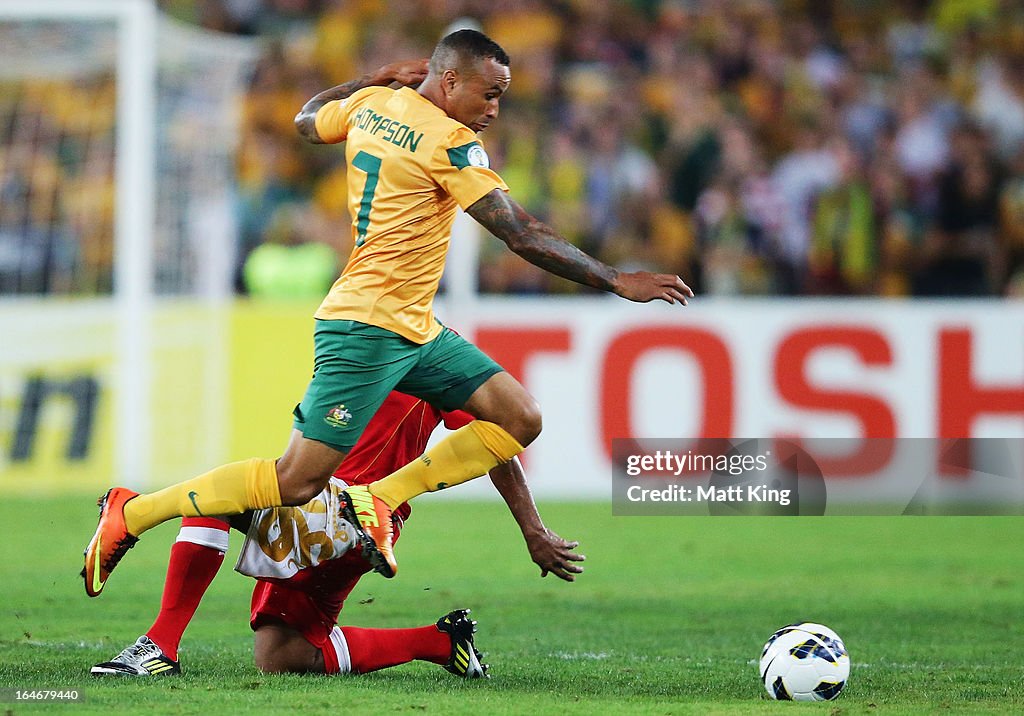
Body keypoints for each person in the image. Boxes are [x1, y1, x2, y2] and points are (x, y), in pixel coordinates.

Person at [83, 28, 690, 596]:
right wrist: (614, 278)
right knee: (297, 481)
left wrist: (371, 77)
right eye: (491, 93)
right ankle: (132, 513)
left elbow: (304, 120)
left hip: (412, 325)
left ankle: (379, 498)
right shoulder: (451, 143)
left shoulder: (373, 105)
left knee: (518, 417)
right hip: (368, 324)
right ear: (450, 82)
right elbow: (520, 233)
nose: (495, 108)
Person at [91, 391, 584, 677]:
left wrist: (532, 529)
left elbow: (495, 436)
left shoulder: (433, 356)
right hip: (315, 505)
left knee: (217, 501)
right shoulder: (347, 344)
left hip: (358, 517)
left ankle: (159, 644)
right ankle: (440, 642)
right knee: (281, 656)